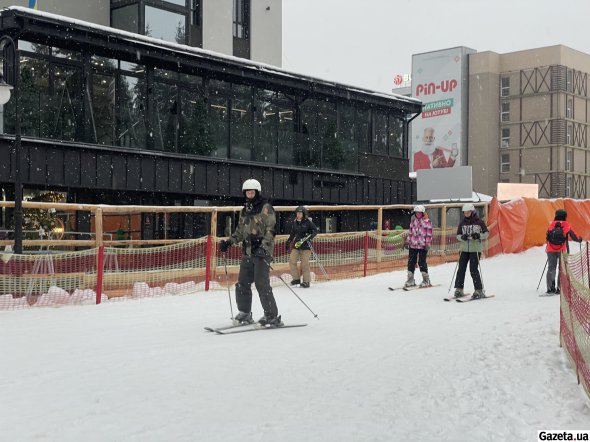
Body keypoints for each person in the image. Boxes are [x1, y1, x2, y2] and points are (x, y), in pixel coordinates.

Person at [219, 179, 282, 327]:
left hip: (261, 252)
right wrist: (229, 242)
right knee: (242, 284)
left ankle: (271, 315)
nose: (250, 194)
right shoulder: (244, 210)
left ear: (257, 192)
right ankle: (245, 313)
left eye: (252, 192)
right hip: (247, 252)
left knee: (261, 284)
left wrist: (263, 247)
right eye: (247, 192)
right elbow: (240, 232)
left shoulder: (266, 208)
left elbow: (271, 230)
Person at [453, 203, 489, 299]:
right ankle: (459, 289)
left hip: (475, 249)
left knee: (473, 269)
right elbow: (458, 235)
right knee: (461, 269)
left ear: (472, 212)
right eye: (465, 213)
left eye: (468, 212)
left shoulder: (479, 222)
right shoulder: (462, 223)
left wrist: (479, 235)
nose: (466, 214)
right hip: (464, 249)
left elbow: (486, 233)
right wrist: (462, 237)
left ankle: (478, 290)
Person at [545, 209, 582, 294]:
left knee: (551, 268)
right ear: (565, 216)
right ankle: (559, 288)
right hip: (562, 250)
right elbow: (573, 236)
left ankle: (550, 288)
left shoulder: (551, 224)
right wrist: (579, 239)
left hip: (550, 250)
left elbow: (547, 237)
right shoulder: (566, 225)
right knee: (561, 268)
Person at [286, 206, 318, 288]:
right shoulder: (294, 222)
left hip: (306, 246)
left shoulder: (307, 222)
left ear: (303, 214)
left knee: (304, 264)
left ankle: (306, 281)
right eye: (297, 213)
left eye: (300, 213)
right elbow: (293, 233)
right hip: (297, 245)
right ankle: (296, 279)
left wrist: (309, 236)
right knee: (292, 261)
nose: (298, 214)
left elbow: (315, 230)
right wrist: (289, 241)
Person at [404, 205, 433, 288]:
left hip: (423, 246)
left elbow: (429, 234)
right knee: (411, 262)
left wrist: (427, 244)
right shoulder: (413, 221)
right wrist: (407, 242)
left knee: (421, 262)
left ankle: (426, 280)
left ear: (423, 213)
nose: (418, 214)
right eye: (416, 213)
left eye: (420, 213)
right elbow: (410, 232)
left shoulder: (428, 222)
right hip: (413, 245)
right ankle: (410, 280)